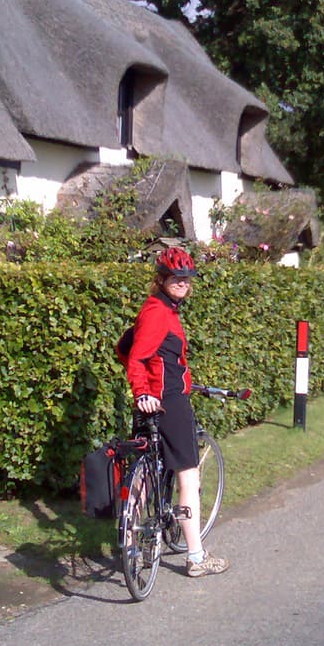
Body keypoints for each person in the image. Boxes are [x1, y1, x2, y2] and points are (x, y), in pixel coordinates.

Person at [119, 247, 228, 578]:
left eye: (187, 278)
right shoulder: (158, 313)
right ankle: (196, 556)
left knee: (145, 473)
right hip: (168, 402)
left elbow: (125, 349)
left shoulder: (157, 309)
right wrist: (144, 390)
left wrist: (146, 391)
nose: (182, 283)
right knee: (188, 477)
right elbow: (137, 357)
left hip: (153, 401)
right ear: (162, 279)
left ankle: (128, 545)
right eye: (175, 278)